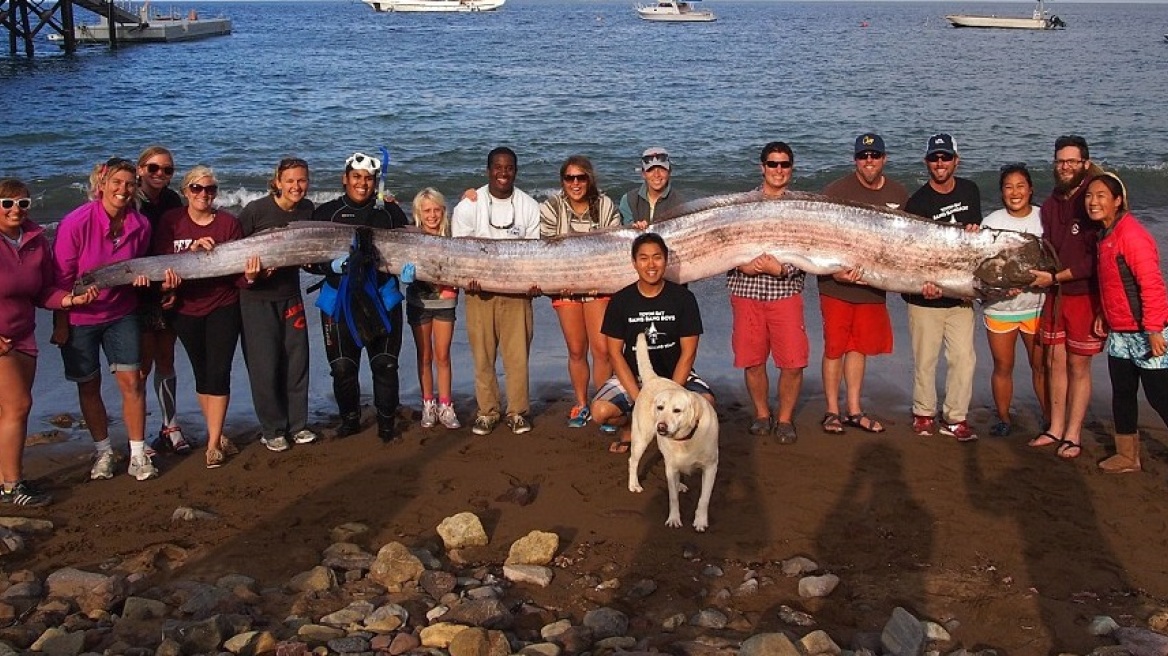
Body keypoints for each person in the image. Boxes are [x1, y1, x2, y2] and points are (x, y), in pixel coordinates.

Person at [53, 158, 165, 482]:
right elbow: (61, 278)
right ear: (101, 184)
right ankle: (103, 451)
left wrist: (141, 280)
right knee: (89, 385)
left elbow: (137, 266)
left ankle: (137, 454)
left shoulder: (140, 225)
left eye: (129, 184)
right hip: (79, 316)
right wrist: (61, 323)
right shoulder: (75, 223)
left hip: (121, 312)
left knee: (132, 381)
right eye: (116, 182)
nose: (123, 190)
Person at [0, 179, 96, 505]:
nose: (16, 210)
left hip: (24, 334)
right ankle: (13, 487)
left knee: (11, 411)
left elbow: (43, 292)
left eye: (22, 204)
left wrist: (70, 301)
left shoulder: (36, 241)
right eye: (7, 203)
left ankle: (6, 479)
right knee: (18, 406)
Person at [309, 153, 410, 443]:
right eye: (356, 177)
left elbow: (409, 251)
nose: (362, 183)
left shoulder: (389, 212)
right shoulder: (326, 212)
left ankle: (387, 425)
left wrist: (407, 273)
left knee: (385, 364)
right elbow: (308, 258)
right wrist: (328, 266)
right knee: (342, 366)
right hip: (337, 299)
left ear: (375, 182)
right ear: (345, 179)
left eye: (368, 178)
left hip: (382, 297)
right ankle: (350, 420)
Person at [155, 167, 249, 469]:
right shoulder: (172, 222)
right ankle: (216, 433)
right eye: (197, 188)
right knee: (202, 372)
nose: (204, 194)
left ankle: (213, 444)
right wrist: (189, 256)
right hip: (185, 308)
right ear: (186, 191)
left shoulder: (227, 224)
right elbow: (160, 262)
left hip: (223, 304)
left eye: (210, 189)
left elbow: (238, 274)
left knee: (219, 372)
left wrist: (252, 275)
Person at [818, 133, 907, 435]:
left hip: (872, 287)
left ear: (884, 158)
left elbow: (906, 244)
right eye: (863, 156)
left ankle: (854, 409)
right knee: (834, 348)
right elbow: (816, 237)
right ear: (855, 159)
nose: (869, 161)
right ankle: (832, 411)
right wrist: (833, 273)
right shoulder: (836, 190)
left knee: (859, 348)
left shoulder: (898, 192)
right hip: (836, 286)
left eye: (875, 156)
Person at [590, 233, 713, 453]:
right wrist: (641, 401)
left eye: (657, 257)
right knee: (600, 412)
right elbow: (615, 354)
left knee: (706, 405)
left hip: (675, 375)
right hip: (635, 377)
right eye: (644, 258)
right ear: (634, 262)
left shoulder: (683, 298)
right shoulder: (620, 301)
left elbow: (689, 353)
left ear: (666, 261)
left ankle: (677, 437)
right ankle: (629, 426)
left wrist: (673, 392)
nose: (651, 264)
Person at [451, 147, 541, 435]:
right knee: (483, 356)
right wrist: (469, 278)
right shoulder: (468, 206)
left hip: (518, 294)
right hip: (479, 293)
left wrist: (533, 283)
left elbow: (534, 252)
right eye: (498, 168)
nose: (504, 173)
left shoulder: (529, 205)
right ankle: (487, 411)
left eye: (509, 168)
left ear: (516, 170)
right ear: (488, 170)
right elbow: (460, 251)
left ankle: (518, 412)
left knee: (517, 358)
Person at [1027, 135, 1103, 459]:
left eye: (1072, 161)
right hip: (1054, 295)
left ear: (1085, 163)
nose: (1065, 166)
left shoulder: (1093, 200)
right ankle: (1055, 427)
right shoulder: (1049, 205)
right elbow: (1048, 250)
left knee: (1077, 365)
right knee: (1053, 361)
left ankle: (1073, 433)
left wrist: (1056, 277)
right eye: (1060, 161)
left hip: (1084, 294)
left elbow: (1093, 260)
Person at [903, 134, 982, 442]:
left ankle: (956, 418)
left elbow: (971, 245)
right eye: (934, 158)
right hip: (925, 296)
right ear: (926, 163)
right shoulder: (918, 201)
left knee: (964, 358)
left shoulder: (970, 190)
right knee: (925, 359)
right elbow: (910, 252)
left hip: (960, 296)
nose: (940, 163)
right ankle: (923, 413)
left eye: (945, 157)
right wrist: (925, 285)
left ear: (955, 161)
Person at [727, 142, 808, 444]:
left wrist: (782, 270)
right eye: (772, 164)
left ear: (791, 168)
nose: (778, 170)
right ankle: (762, 413)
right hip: (745, 291)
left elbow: (812, 248)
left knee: (793, 362)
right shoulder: (741, 205)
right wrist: (742, 265)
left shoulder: (802, 208)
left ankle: (785, 418)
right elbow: (722, 243)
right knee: (752, 360)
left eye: (784, 164)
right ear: (762, 167)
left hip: (785, 292)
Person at [1089, 173, 1168, 474]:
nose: (1093, 202)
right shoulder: (1105, 235)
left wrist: (1154, 329)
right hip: (1120, 332)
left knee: (1160, 396)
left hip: (1147, 331)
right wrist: (1103, 314)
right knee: (1122, 392)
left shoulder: (1131, 235)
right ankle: (1127, 456)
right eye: (1089, 196)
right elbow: (1112, 285)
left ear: (1118, 200)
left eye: (1101, 196)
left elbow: (1152, 284)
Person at [237, 157, 317, 451]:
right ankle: (272, 429)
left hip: (291, 295)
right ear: (278, 182)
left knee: (297, 361)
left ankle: (298, 425)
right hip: (256, 300)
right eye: (291, 181)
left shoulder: (308, 210)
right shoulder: (256, 211)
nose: (297, 187)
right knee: (265, 365)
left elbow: (313, 251)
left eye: (302, 180)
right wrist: (251, 275)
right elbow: (231, 252)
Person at [539, 155, 622, 428]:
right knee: (576, 350)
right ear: (563, 181)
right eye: (570, 178)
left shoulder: (605, 205)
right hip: (565, 287)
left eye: (581, 177)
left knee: (602, 350)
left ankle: (602, 403)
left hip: (598, 284)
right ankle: (581, 404)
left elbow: (614, 246)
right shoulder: (551, 207)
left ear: (589, 179)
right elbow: (546, 249)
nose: (576, 183)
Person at [979, 164, 1047, 437]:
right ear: (1001, 192)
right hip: (1000, 308)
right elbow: (981, 266)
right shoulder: (991, 222)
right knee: (1003, 366)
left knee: (1041, 366)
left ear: (1030, 189)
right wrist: (998, 288)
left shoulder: (1045, 219)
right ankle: (1004, 418)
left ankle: (1050, 417)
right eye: (1008, 187)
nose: (1015, 192)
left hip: (1037, 307)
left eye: (1020, 186)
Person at [136, 145, 190, 454]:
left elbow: (177, 246)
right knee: (141, 364)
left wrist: (171, 288)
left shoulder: (172, 201)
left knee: (166, 357)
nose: (160, 174)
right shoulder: (131, 201)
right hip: (136, 290)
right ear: (140, 169)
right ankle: (138, 434)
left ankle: (170, 425)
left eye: (167, 170)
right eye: (154, 168)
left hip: (166, 285)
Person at [407, 188, 460, 430]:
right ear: (418, 213)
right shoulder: (411, 236)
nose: (432, 215)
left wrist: (469, 195)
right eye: (427, 210)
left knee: (443, 356)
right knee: (424, 356)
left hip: (446, 301)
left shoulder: (452, 235)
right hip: (418, 302)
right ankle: (428, 402)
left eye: (436, 210)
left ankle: (446, 405)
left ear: (443, 211)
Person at [618, 147, 686, 229]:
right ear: (643, 174)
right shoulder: (628, 200)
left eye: (662, 169)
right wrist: (634, 228)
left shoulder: (680, 202)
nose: (656, 175)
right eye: (651, 170)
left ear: (669, 172)